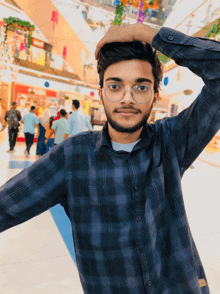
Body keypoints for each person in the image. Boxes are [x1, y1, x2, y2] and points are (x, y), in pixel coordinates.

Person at [0, 23, 219, 294]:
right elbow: (5, 206)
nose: (127, 98)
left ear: (155, 94)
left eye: (141, 87)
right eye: (115, 86)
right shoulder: (73, 158)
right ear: (101, 90)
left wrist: (142, 32)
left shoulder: (171, 141)